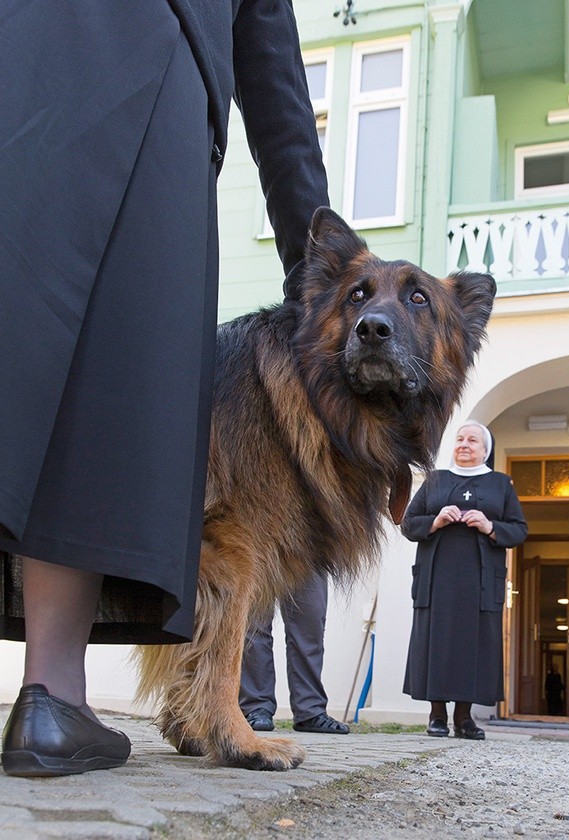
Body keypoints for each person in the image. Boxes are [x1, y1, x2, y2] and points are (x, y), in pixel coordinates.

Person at [0, 0, 329, 777]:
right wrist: (319, 282)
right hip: (153, 61)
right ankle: (52, 694)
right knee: (97, 366)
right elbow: (278, 101)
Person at [401, 420, 527, 740]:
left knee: (473, 645)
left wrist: (489, 525)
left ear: (485, 450)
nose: (464, 444)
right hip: (438, 577)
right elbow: (409, 524)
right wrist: (437, 519)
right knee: (438, 642)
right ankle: (437, 715)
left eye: (473, 440)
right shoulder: (435, 481)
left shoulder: (501, 484)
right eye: (460, 439)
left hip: (480, 580)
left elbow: (519, 530)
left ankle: (465, 718)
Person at [240, 573, 349, 734]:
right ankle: (256, 707)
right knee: (254, 628)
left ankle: (310, 711)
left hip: (311, 550)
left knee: (310, 625)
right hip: (261, 551)